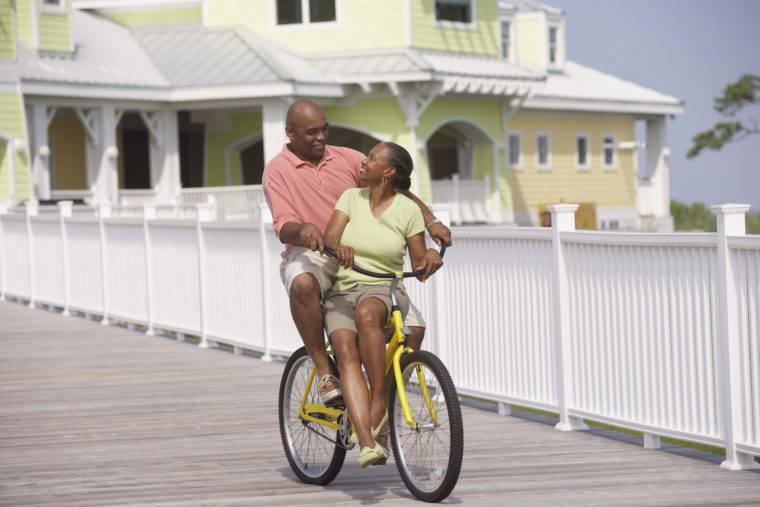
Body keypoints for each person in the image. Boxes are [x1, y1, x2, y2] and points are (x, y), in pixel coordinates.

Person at [262, 99, 452, 406]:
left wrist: (430, 221)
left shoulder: (347, 158)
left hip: (360, 254)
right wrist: (303, 230)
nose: (321, 137)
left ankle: (381, 407)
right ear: (290, 133)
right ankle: (325, 372)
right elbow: (283, 226)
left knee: (414, 331)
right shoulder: (277, 170)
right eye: (312, 132)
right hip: (316, 253)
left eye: (325, 129)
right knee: (302, 283)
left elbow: (392, 186)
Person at [323, 142, 427, 467]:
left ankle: (379, 399)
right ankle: (368, 443)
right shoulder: (351, 198)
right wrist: (338, 247)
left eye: (371, 158)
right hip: (342, 287)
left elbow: (420, 265)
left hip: (382, 287)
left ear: (388, 172)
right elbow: (329, 237)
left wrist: (432, 258)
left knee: (369, 313)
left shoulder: (408, 211)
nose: (363, 162)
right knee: (344, 350)